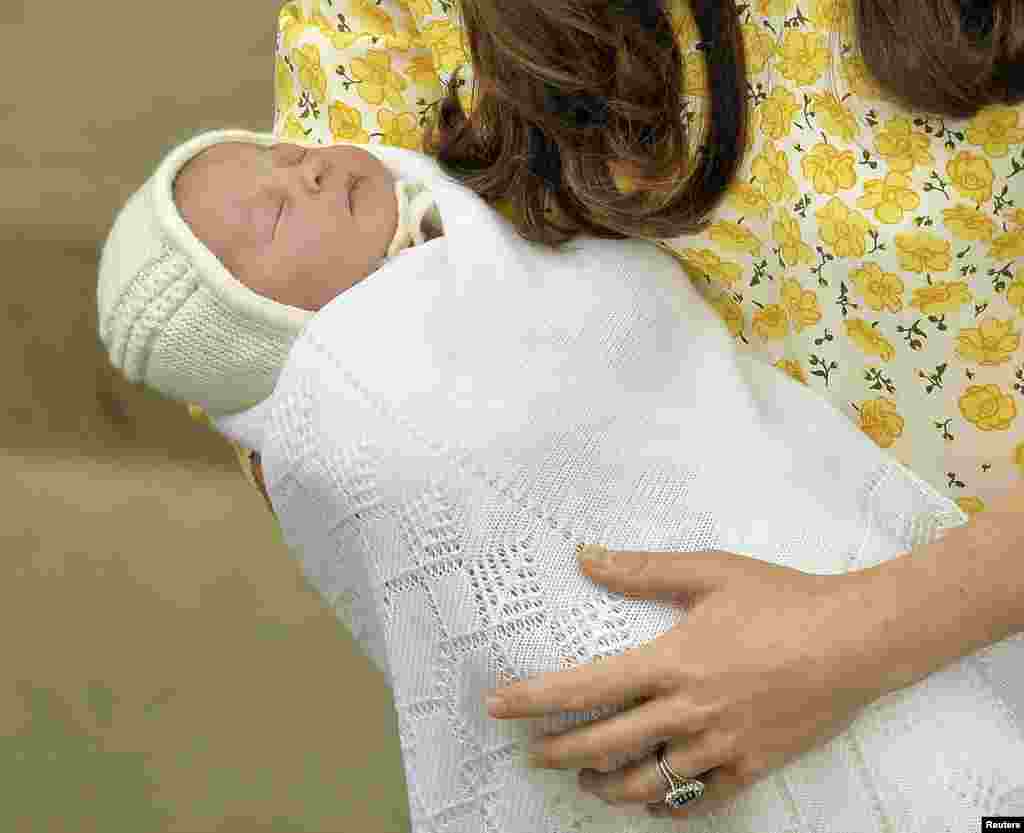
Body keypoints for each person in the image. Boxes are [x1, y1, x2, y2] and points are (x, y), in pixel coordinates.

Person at [98, 0, 1024, 827]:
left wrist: (853, 638)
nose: (298, 179)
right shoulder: (378, 25)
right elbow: (305, 392)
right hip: (733, 723)